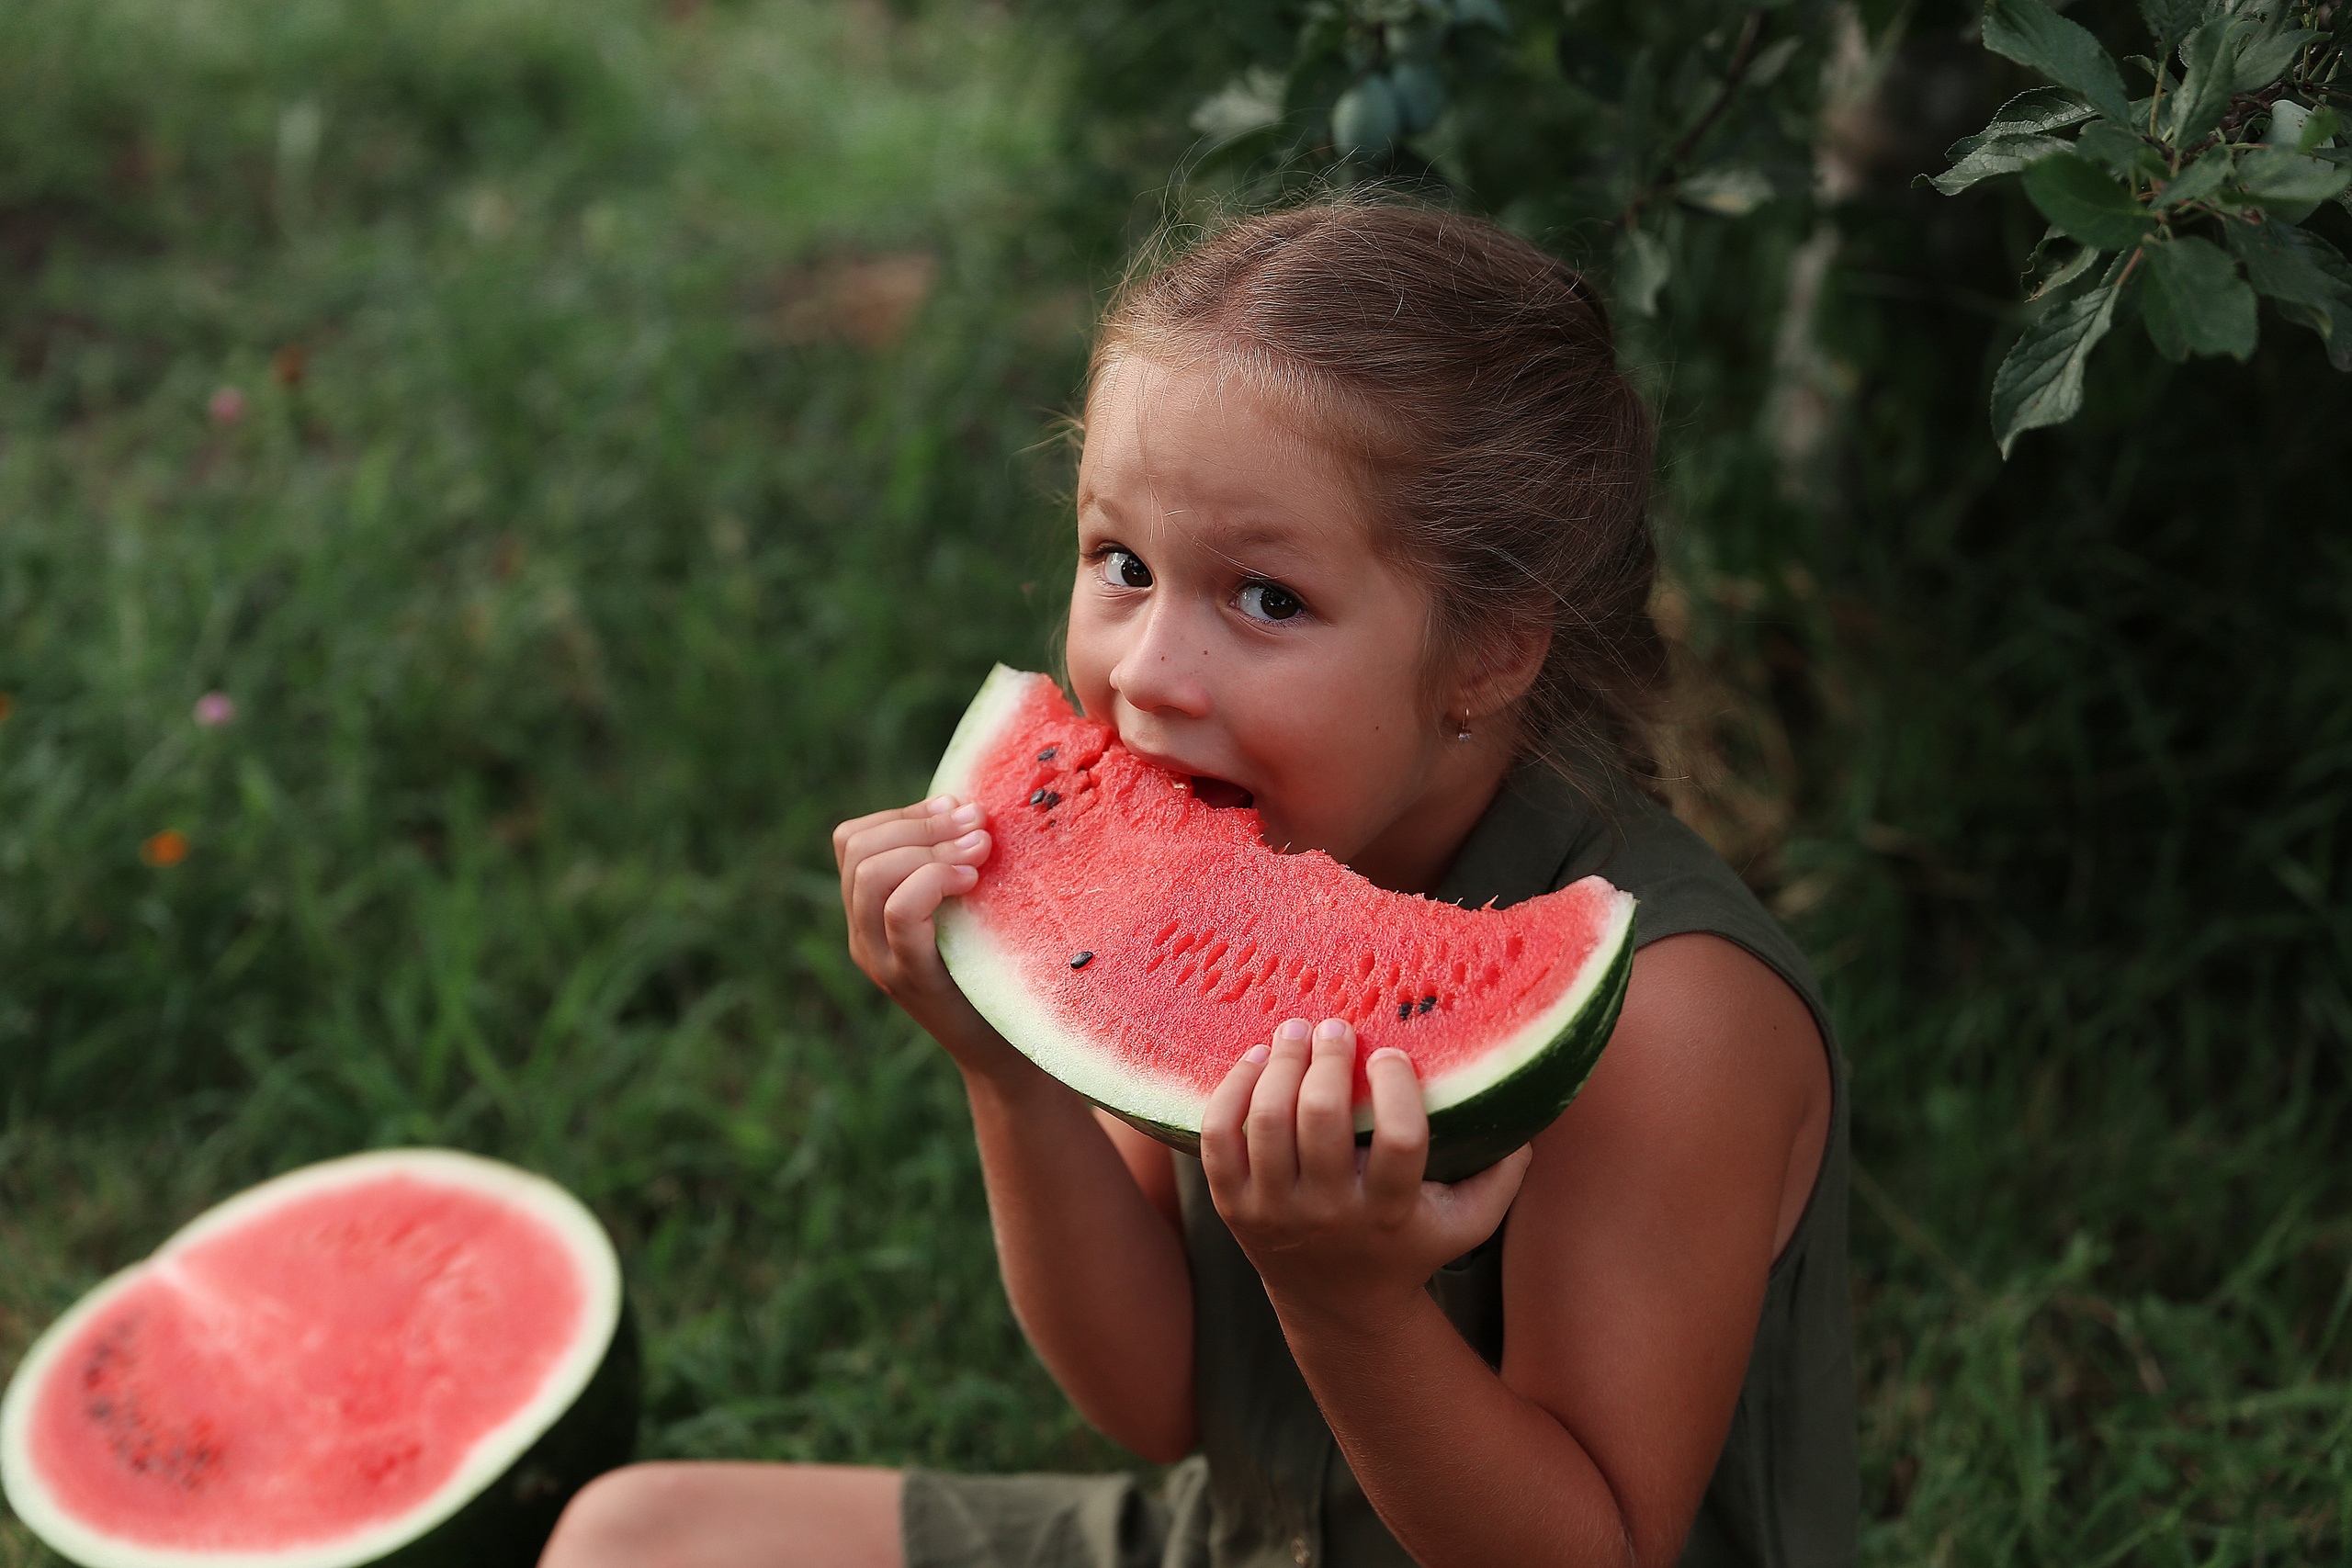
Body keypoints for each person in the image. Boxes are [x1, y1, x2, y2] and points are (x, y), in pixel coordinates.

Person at [539, 197, 1854, 1568]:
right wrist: (1010, 1066)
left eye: (1265, 599)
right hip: (1238, 1541)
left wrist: (1347, 1304)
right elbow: (1154, 1399)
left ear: (1489, 655)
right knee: (637, 1536)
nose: (1148, 674)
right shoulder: (1213, 880)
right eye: (1122, 564)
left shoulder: (1667, 1017)